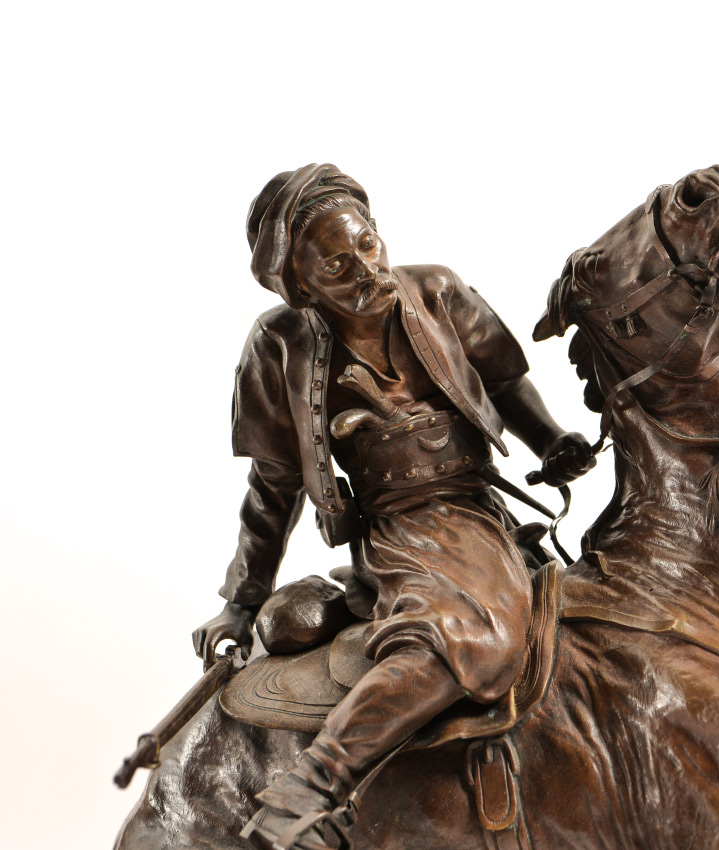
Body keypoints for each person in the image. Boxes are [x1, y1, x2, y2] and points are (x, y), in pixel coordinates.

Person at [190, 164, 594, 849]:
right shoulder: (279, 343)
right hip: (405, 529)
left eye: (367, 244)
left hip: (483, 506)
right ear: (300, 283)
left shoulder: (437, 290)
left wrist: (552, 440)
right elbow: (273, 485)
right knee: (476, 638)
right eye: (336, 265)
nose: (365, 269)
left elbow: (505, 382)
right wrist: (242, 598)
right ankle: (307, 789)